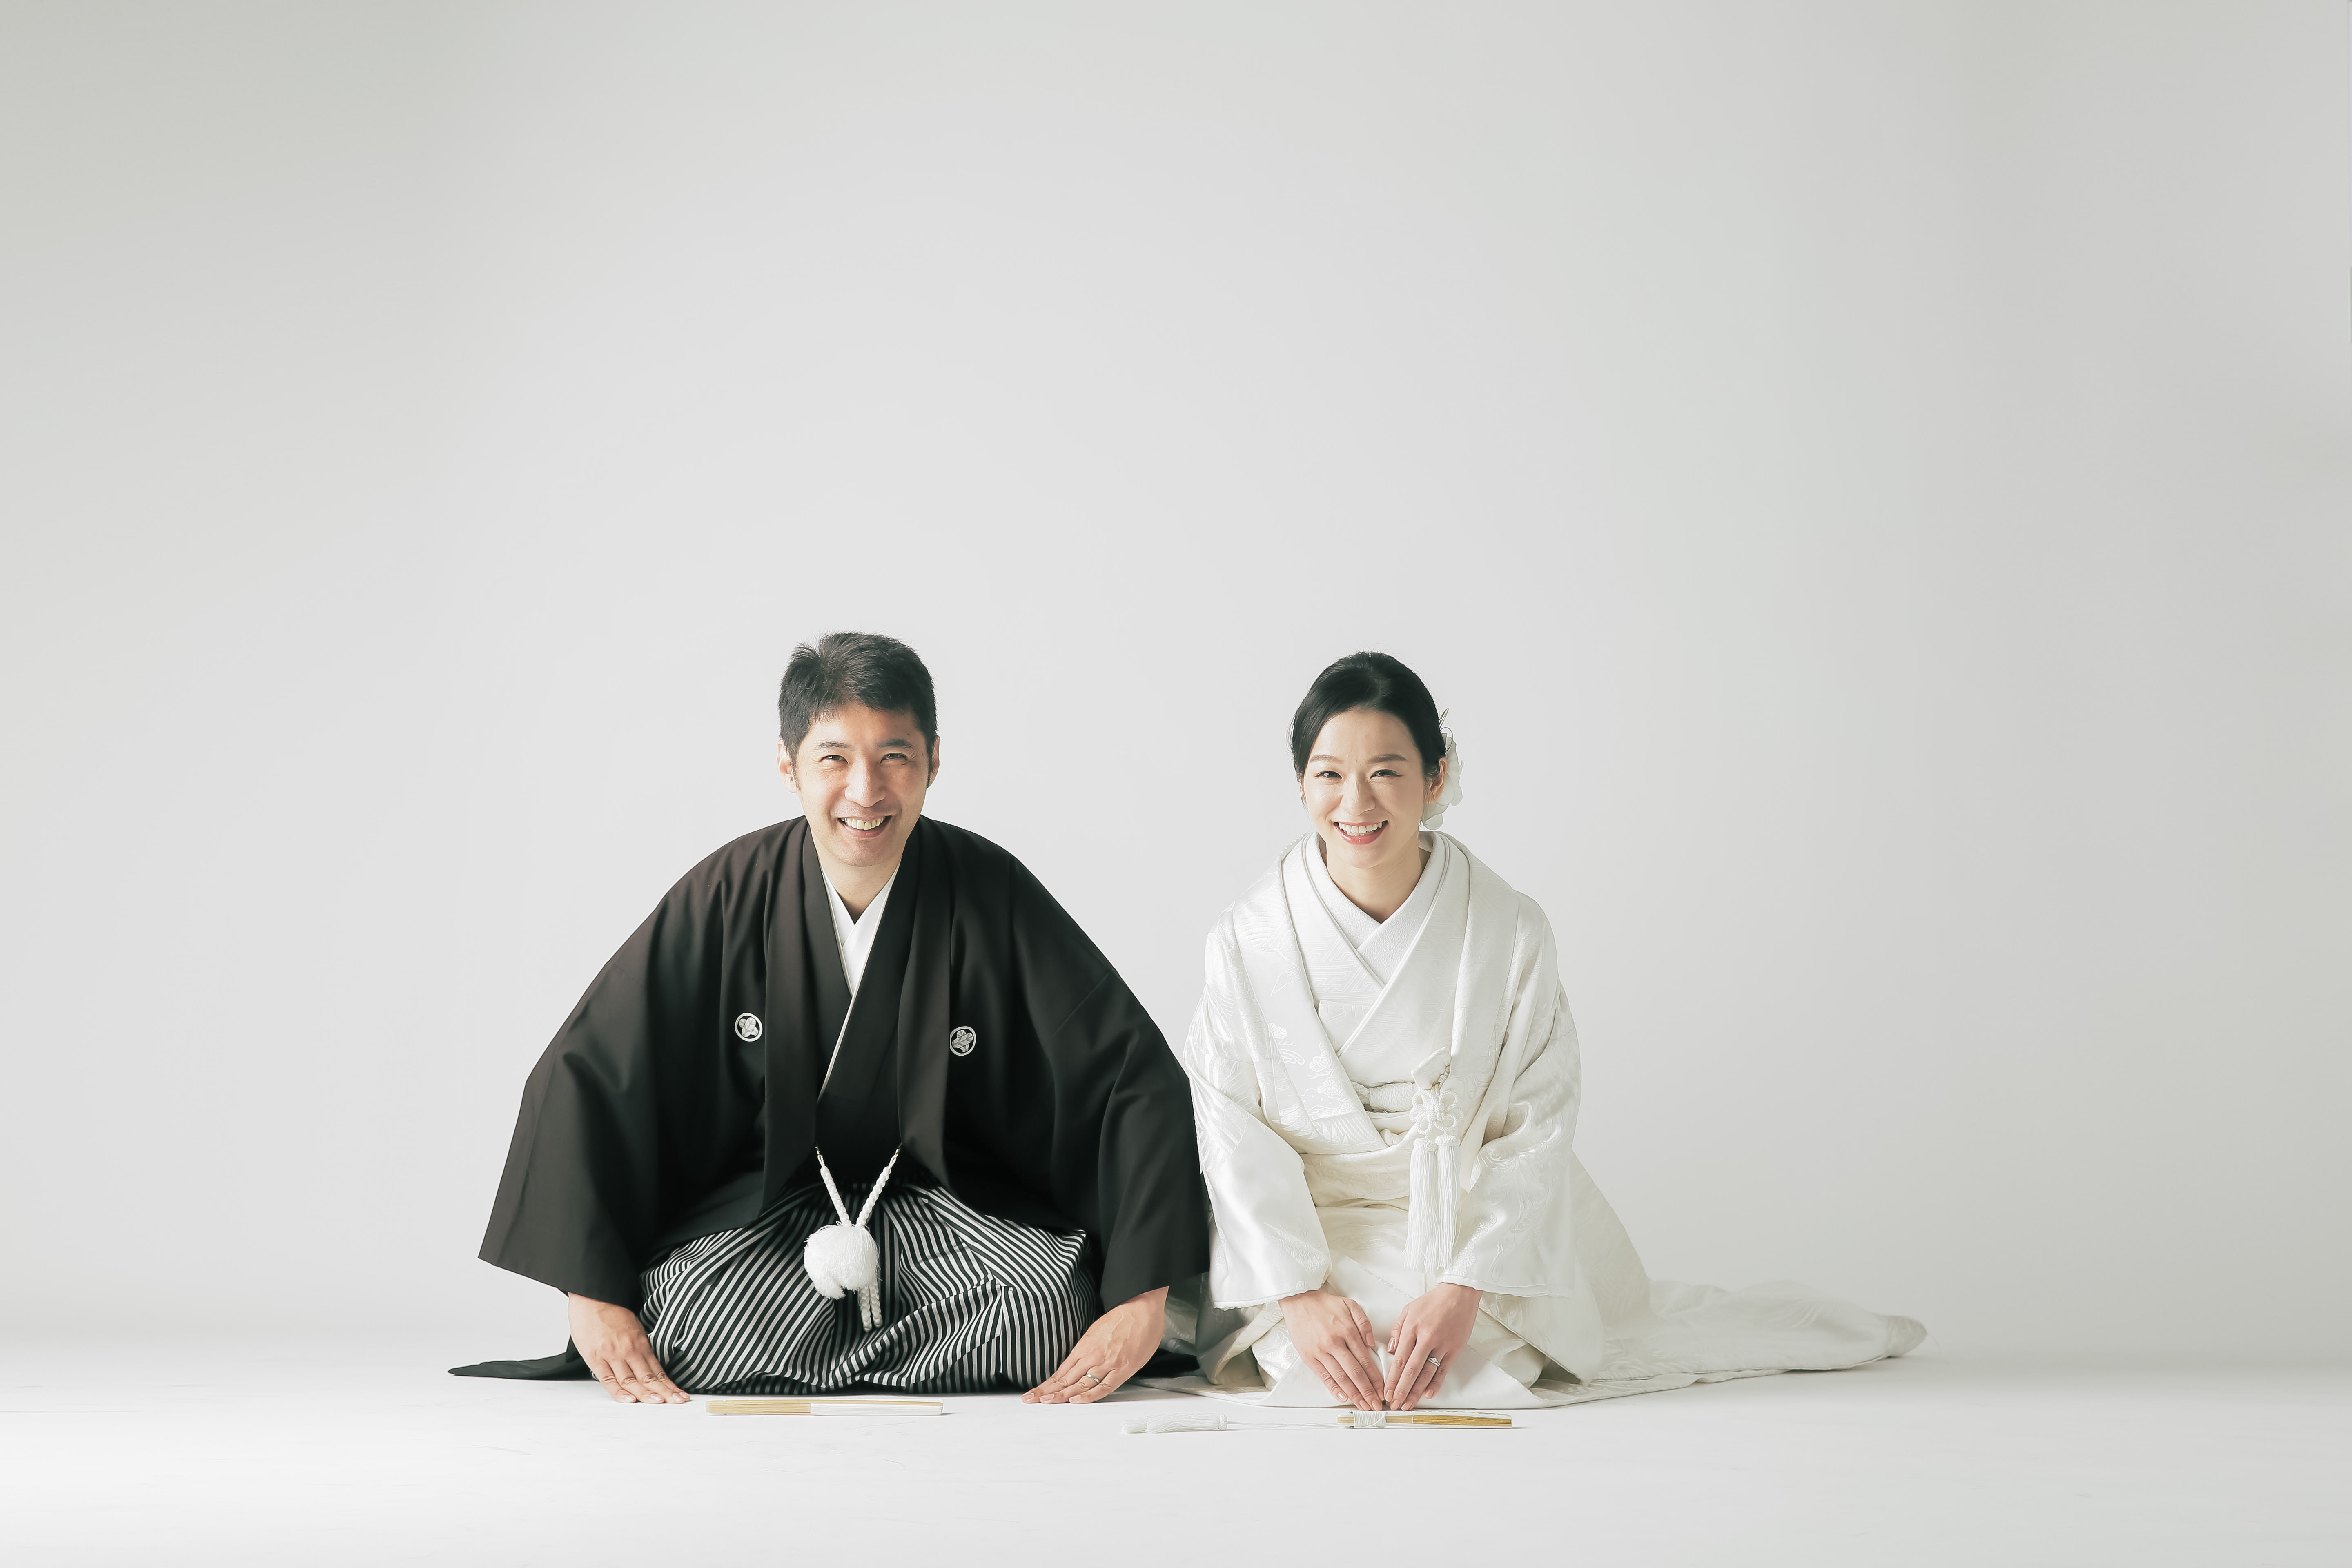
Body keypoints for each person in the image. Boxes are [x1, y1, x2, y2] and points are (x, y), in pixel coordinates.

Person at [453, 632, 1208, 1405]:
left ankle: (814, 1355)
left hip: (947, 1216)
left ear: (933, 761)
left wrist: (1140, 1300)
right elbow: (592, 1068)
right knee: (684, 1316)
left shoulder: (992, 890)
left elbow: (1126, 1075)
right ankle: (919, 1359)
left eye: (894, 757)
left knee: (1047, 1308)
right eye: (834, 759)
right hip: (769, 1213)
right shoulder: (730, 891)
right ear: (789, 766)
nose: (865, 791)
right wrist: (594, 1298)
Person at [1174, 651, 1923, 1410]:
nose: (1356, 801)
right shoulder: (1248, 938)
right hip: (1311, 1233)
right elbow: (1231, 1125)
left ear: (1435, 777)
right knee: (1319, 1354)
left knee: (1464, 1352)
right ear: (1301, 782)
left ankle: (1458, 1306)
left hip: (1460, 1223)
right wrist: (1299, 1294)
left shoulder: (1508, 929)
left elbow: (1539, 1120)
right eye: (1330, 774)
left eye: (1386, 772)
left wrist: (1465, 1287)